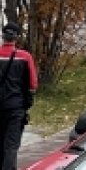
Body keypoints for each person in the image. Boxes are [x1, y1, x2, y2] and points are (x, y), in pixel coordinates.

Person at [0, 22, 36, 170]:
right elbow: (33, 85)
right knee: (11, 146)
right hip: (16, 108)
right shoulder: (25, 57)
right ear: (17, 38)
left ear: (3, 36)